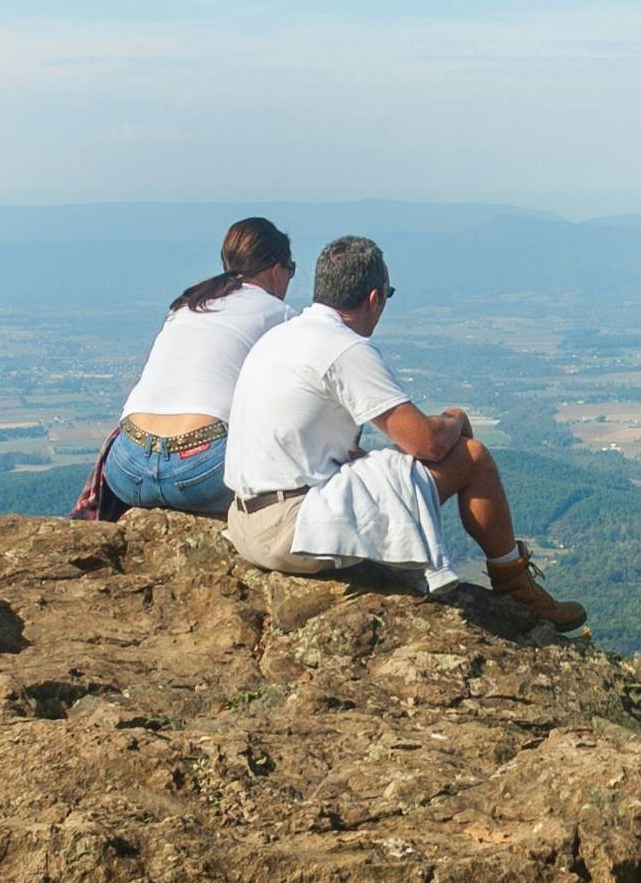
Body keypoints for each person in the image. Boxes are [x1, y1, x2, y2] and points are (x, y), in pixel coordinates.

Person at [223, 235, 587, 632]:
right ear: (375, 297)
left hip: (245, 523)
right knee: (473, 457)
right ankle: (515, 586)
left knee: (384, 472)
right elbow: (426, 443)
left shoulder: (281, 336)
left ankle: (405, 562)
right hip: (290, 530)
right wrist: (455, 418)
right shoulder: (344, 348)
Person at [102, 217, 297, 517]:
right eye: (291, 270)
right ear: (275, 271)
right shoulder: (281, 315)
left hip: (125, 468)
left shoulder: (189, 304)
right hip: (201, 471)